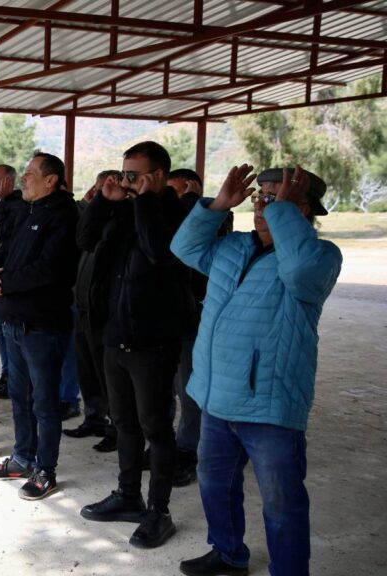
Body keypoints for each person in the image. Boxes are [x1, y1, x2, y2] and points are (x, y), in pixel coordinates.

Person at [173, 165, 341, 576]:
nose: (264, 206)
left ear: (304, 209)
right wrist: (215, 206)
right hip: (217, 397)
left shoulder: (320, 257)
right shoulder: (232, 247)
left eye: (276, 199)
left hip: (269, 403)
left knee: (281, 502)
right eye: (261, 198)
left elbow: (299, 270)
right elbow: (184, 247)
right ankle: (228, 553)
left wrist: (283, 212)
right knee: (215, 485)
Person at [77, 142, 191, 549]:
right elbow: (87, 240)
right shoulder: (124, 210)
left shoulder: (178, 213)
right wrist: (104, 204)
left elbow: (158, 250)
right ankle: (128, 495)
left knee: (156, 429)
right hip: (115, 337)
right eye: (123, 174)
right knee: (123, 423)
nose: (125, 182)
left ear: (158, 176)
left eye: (134, 176)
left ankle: (158, 512)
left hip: (153, 342)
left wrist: (143, 201)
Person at [0, 153, 79, 499]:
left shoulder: (65, 215)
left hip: (43, 326)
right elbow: (7, 252)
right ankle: (23, 457)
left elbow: (49, 270)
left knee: (45, 402)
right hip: (15, 323)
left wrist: (6, 284)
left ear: (51, 180)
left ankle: (45, 470)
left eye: (29, 174)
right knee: (20, 398)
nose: (23, 179)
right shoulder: (30, 211)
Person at [166, 168, 234, 487]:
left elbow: (192, 242)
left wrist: (195, 203)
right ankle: (165, 445)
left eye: (178, 192)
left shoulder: (219, 217)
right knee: (163, 386)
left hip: (192, 314)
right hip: (163, 316)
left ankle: (187, 449)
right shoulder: (158, 212)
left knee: (188, 387)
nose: (172, 199)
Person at [64, 170, 121, 452]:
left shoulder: (120, 219)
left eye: (107, 189)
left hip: (105, 311)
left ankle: (116, 427)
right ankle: (94, 418)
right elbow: (79, 237)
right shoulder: (93, 219)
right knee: (87, 370)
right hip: (82, 306)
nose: (100, 193)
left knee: (107, 374)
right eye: (98, 188)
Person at [0, 164, 27, 400]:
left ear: (9, 181)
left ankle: (15, 377)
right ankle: (6, 373)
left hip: (10, 276)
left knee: (8, 329)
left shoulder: (19, 205)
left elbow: (2, 235)